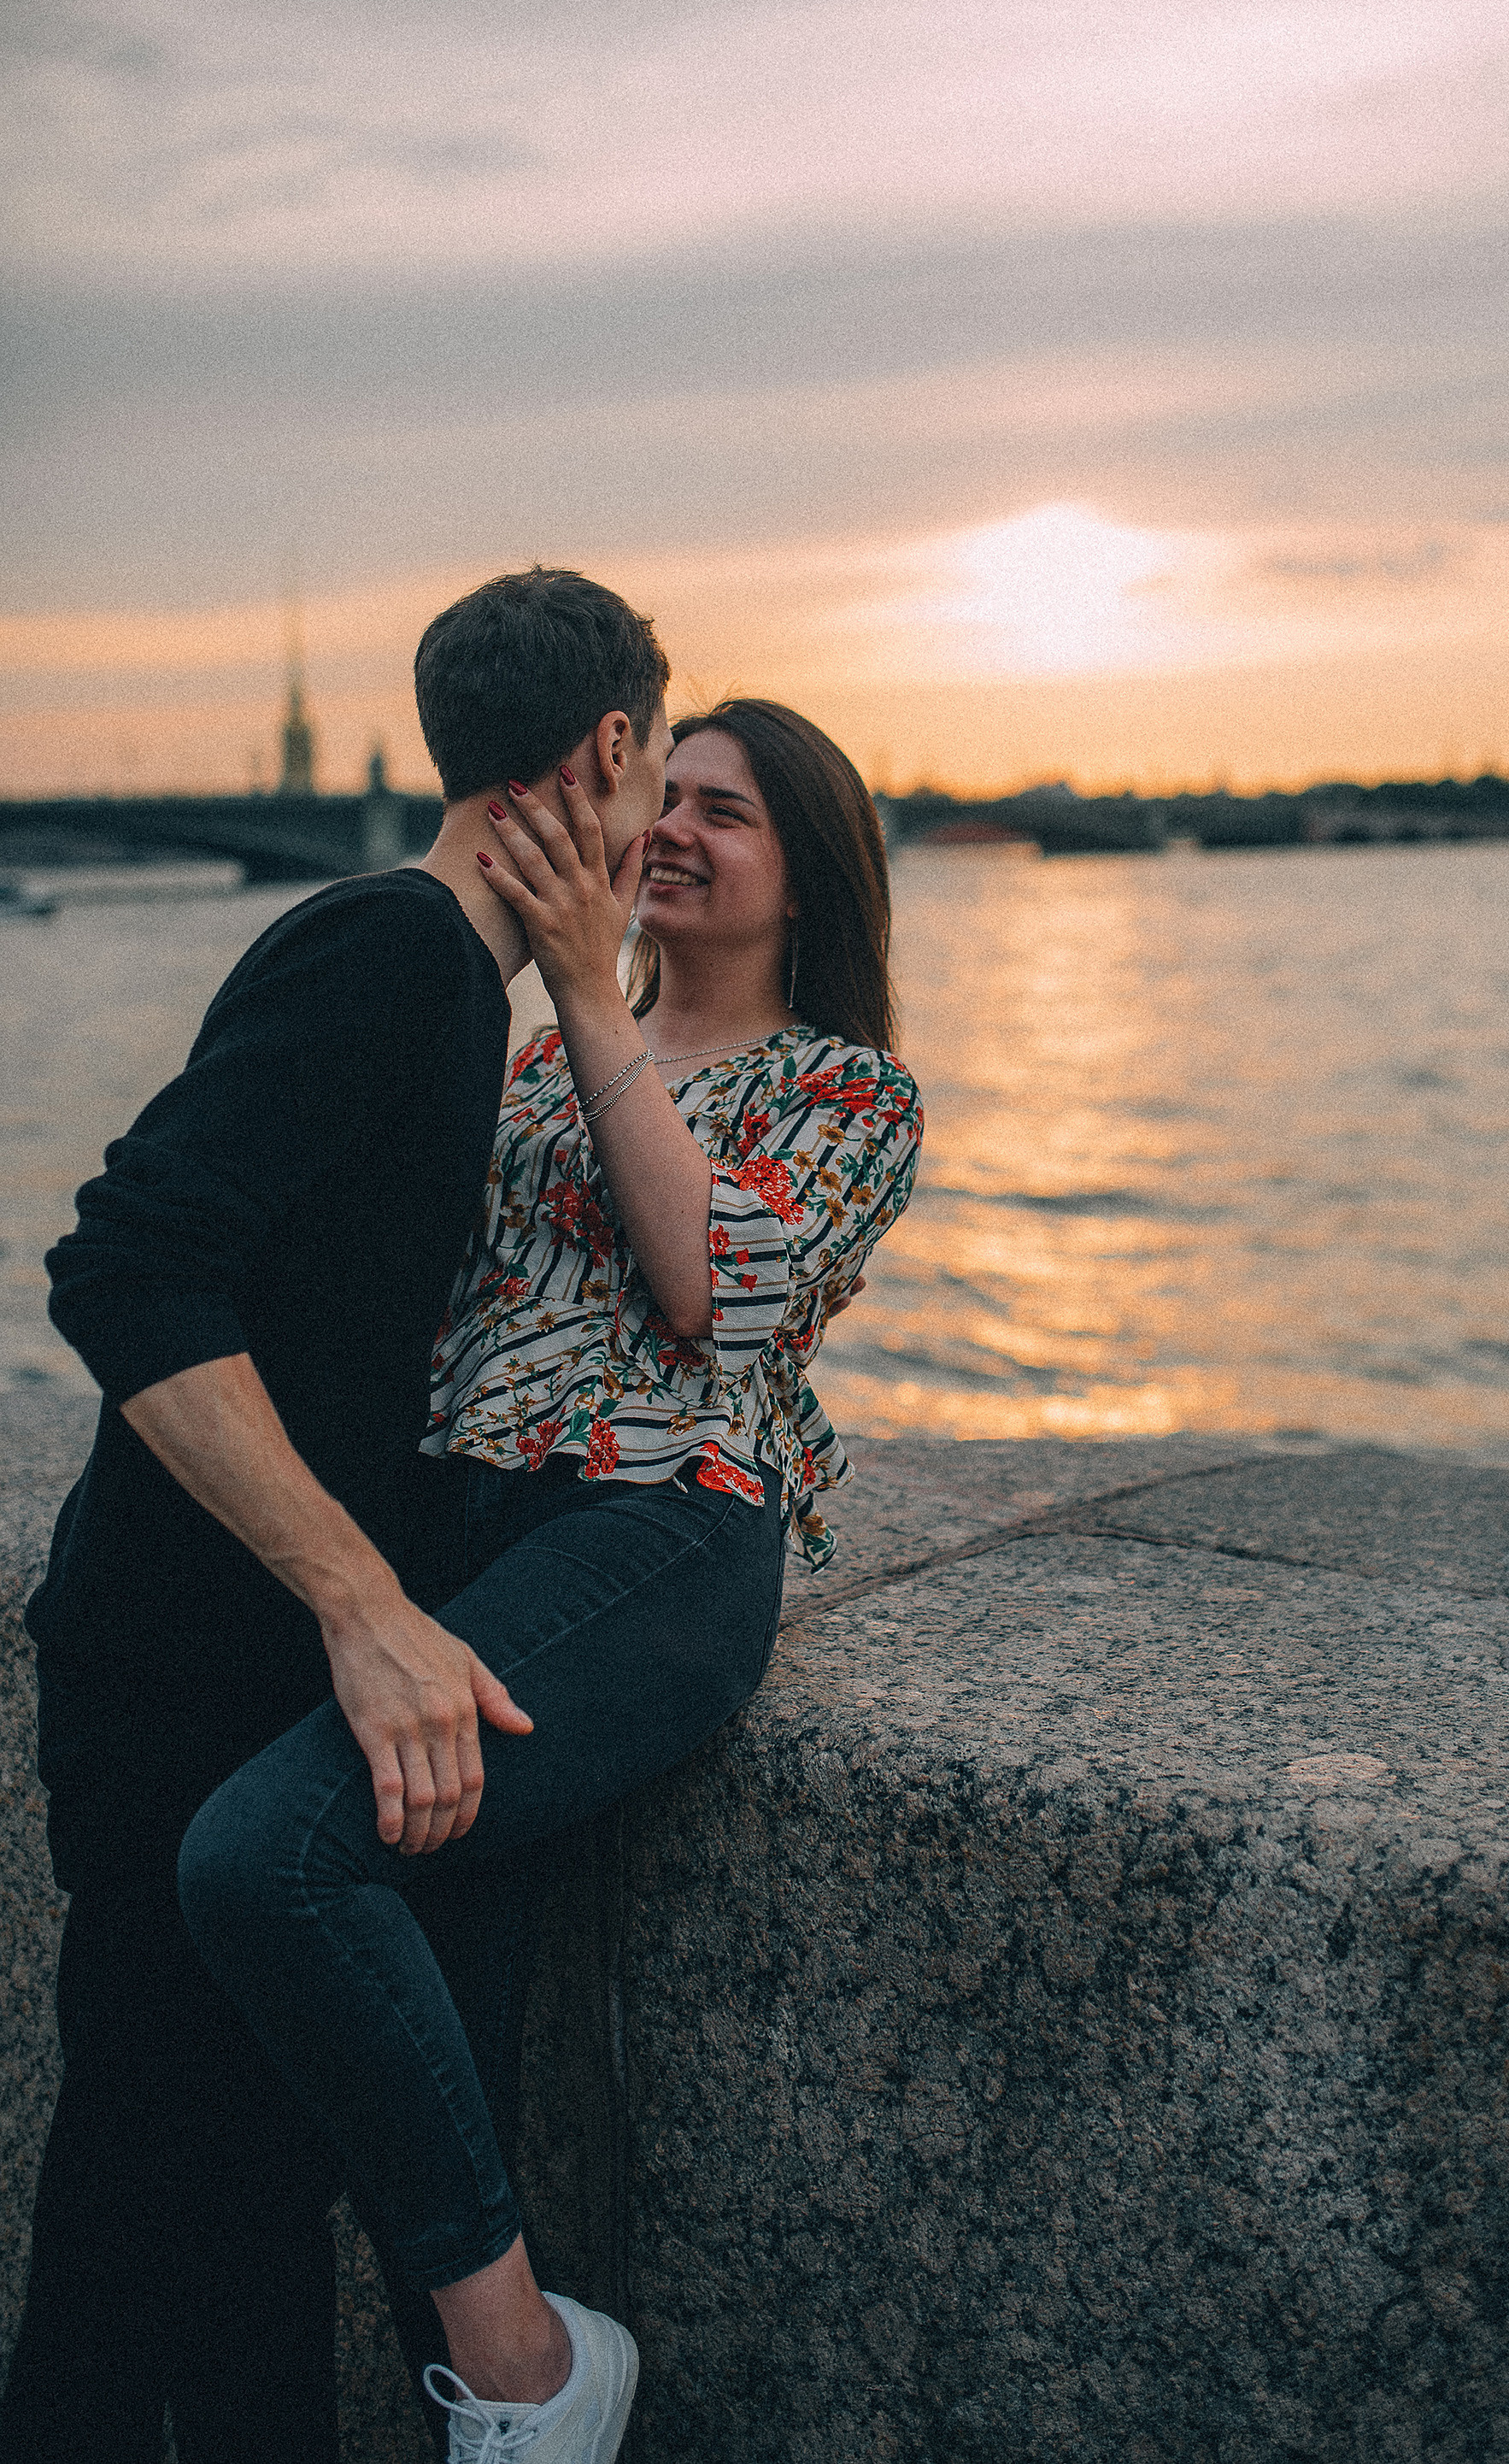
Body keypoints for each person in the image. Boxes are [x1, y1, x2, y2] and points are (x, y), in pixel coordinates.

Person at [173, 701, 923, 2463]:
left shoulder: (845, 1090)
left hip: (659, 1526)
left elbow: (711, 1289)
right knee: (441, 1989)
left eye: (726, 813)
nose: (674, 831)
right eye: (669, 797)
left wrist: (588, 986)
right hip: (460, 1531)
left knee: (271, 1851)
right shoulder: (522, 1068)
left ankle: (527, 2371)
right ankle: (482, 2405)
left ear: (809, 875)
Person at [3, 567, 674, 2464]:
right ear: (608, 746)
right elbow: (130, 1265)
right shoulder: (388, 951)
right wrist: (365, 1602)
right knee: (135, 2225)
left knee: (226, 2215)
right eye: (657, 760)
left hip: (230, 1674)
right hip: (175, 1679)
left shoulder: (452, 979)